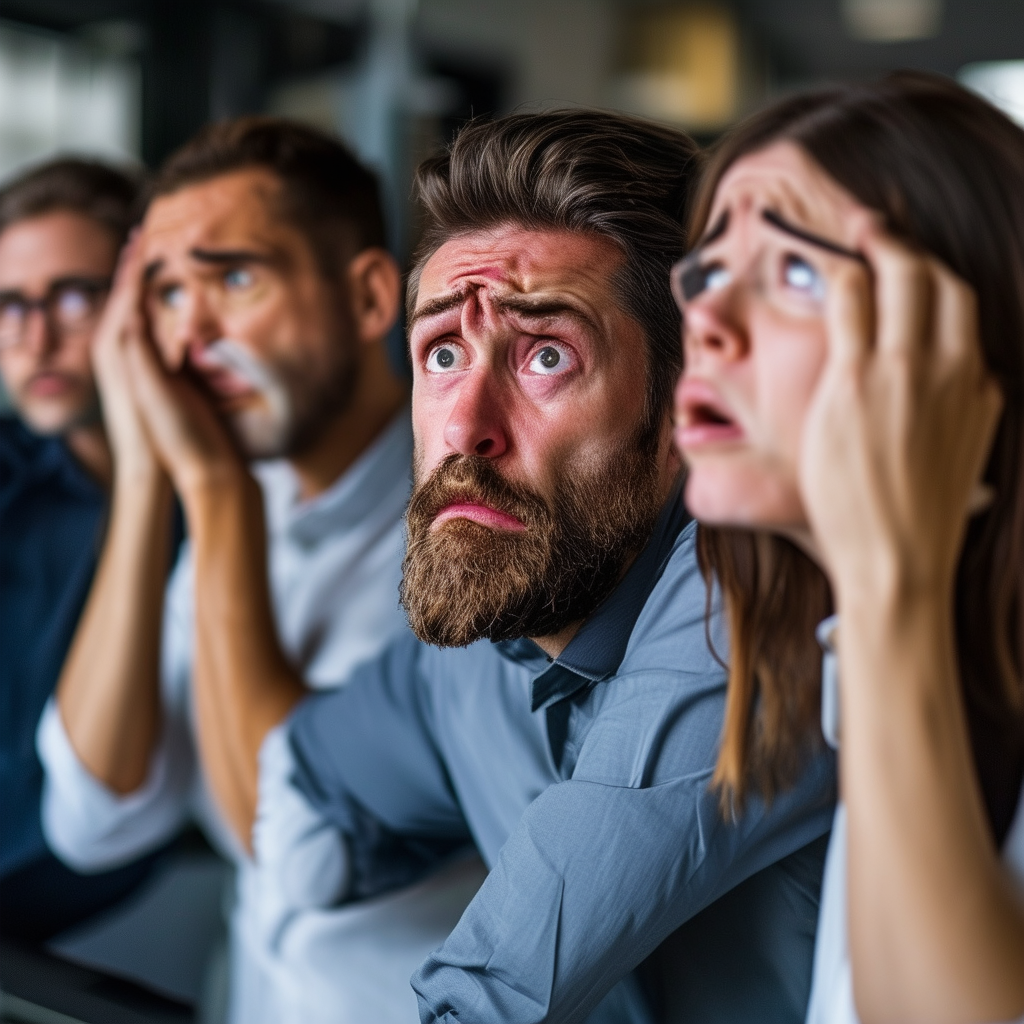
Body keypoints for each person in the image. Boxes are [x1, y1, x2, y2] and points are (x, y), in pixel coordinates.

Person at [252, 110, 837, 1024]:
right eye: (442, 352)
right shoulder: (482, 641)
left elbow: (487, 1003)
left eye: (545, 355)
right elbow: (311, 782)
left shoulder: (762, 586)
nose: (463, 427)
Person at [36, 118, 425, 1019]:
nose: (189, 337)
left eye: (233, 278)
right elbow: (93, 820)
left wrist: (213, 492)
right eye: (166, 295)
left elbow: (287, 838)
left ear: (369, 298)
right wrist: (144, 473)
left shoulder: (473, 530)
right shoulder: (246, 497)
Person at [672, 72, 1024, 1024]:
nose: (704, 323)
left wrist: (887, 581)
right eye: (706, 271)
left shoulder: (891, 622)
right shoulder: (865, 661)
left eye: (795, 272)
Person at [0, 158, 164, 940]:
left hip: (113, 926)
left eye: (72, 297)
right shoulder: (9, 474)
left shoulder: (232, 500)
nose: (35, 339)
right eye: (9, 305)